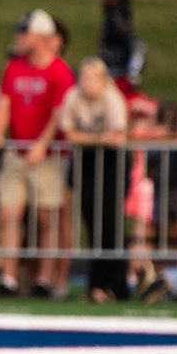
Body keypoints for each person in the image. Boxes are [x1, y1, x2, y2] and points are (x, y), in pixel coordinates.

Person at [0, 10, 76, 298]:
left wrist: (43, 143)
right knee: (9, 213)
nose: (19, 38)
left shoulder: (59, 71)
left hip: (48, 155)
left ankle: (43, 278)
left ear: (40, 37)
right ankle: (8, 278)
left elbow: (59, 112)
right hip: (17, 150)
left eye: (24, 33)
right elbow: (5, 101)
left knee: (45, 217)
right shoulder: (14, 67)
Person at [43, 56, 129, 302]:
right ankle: (95, 286)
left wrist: (89, 139)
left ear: (103, 80)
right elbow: (69, 133)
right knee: (92, 223)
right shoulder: (73, 97)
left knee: (111, 224)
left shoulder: (112, 98)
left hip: (112, 163)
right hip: (87, 162)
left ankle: (115, 286)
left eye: (93, 78)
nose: (88, 82)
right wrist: (98, 139)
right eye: (84, 77)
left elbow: (117, 136)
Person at [98, 0, 142, 91]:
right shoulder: (114, 18)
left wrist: (133, 75)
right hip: (112, 74)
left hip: (117, 77)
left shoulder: (116, 20)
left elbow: (138, 47)